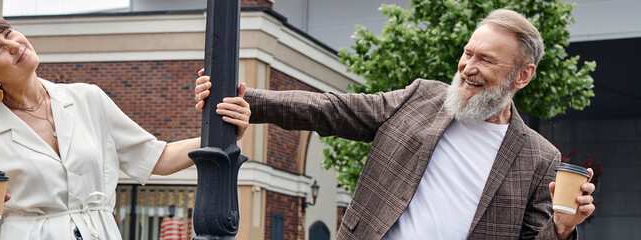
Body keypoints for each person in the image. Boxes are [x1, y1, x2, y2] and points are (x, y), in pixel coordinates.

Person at [194, 9, 595, 240]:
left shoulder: (541, 158)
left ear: (522, 76)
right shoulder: (422, 98)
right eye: (468, 53)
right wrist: (248, 102)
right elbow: (333, 109)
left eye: (486, 60)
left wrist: (561, 227)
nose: (468, 67)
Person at [0, 11, 251, 240]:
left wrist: (221, 134)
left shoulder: (87, 99)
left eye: (8, 33)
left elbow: (157, 158)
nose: (13, 45)